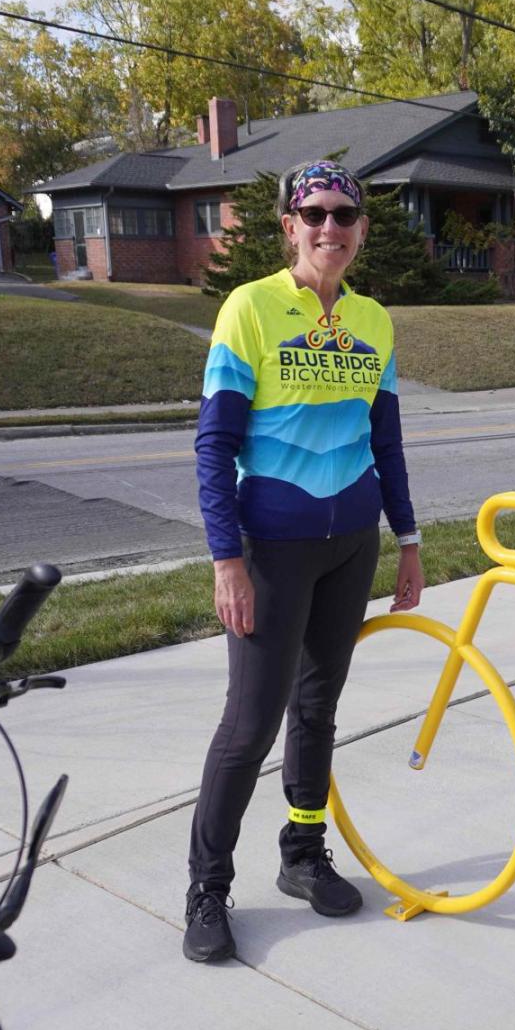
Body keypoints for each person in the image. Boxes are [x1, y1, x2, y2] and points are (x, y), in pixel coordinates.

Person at [183, 161, 424, 964]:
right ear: (289, 225)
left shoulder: (375, 322)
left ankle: (301, 854)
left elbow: (384, 441)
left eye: (344, 215)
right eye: (314, 213)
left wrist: (409, 542)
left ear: (360, 229)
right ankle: (207, 890)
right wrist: (227, 560)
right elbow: (214, 446)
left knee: (317, 711)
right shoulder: (249, 309)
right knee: (249, 726)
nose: (331, 228)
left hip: (351, 544)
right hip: (271, 548)